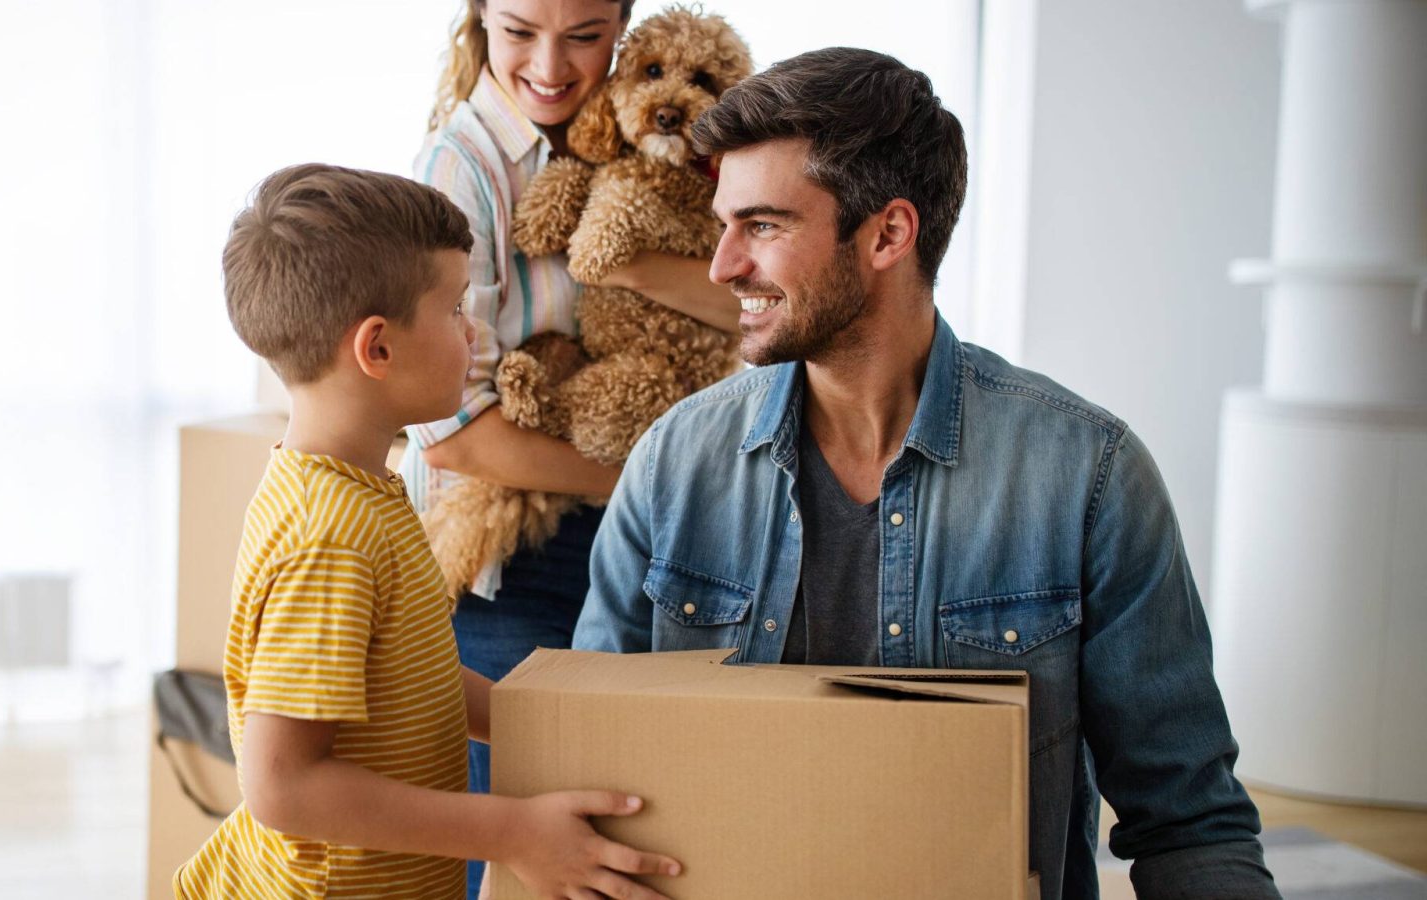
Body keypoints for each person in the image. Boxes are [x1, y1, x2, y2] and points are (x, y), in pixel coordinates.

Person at [570, 48, 1281, 900]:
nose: (723, 267)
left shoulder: (1086, 475)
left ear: (888, 234)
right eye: (725, 224)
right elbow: (592, 770)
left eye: (761, 225)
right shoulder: (673, 464)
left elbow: (1188, 820)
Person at [175, 163, 682, 900]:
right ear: (376, 348)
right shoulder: (331, 536)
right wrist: (512, 832)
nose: (474, 331)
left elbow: (411, 678)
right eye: (454, 311)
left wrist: (548, 722)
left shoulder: (358, 489)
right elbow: (283, 787)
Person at [406, 6, 734, 893]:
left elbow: (753, 313)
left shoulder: (627, 150)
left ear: (622, 32)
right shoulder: (462, 169)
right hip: (517, 553)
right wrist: (643, 485)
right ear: (480, 16)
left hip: (625, 540)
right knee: (517, 849)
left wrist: (618, 262)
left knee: (630, 825)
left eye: (585, 36)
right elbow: (455, 438)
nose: (551, 67)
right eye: (519, 31)